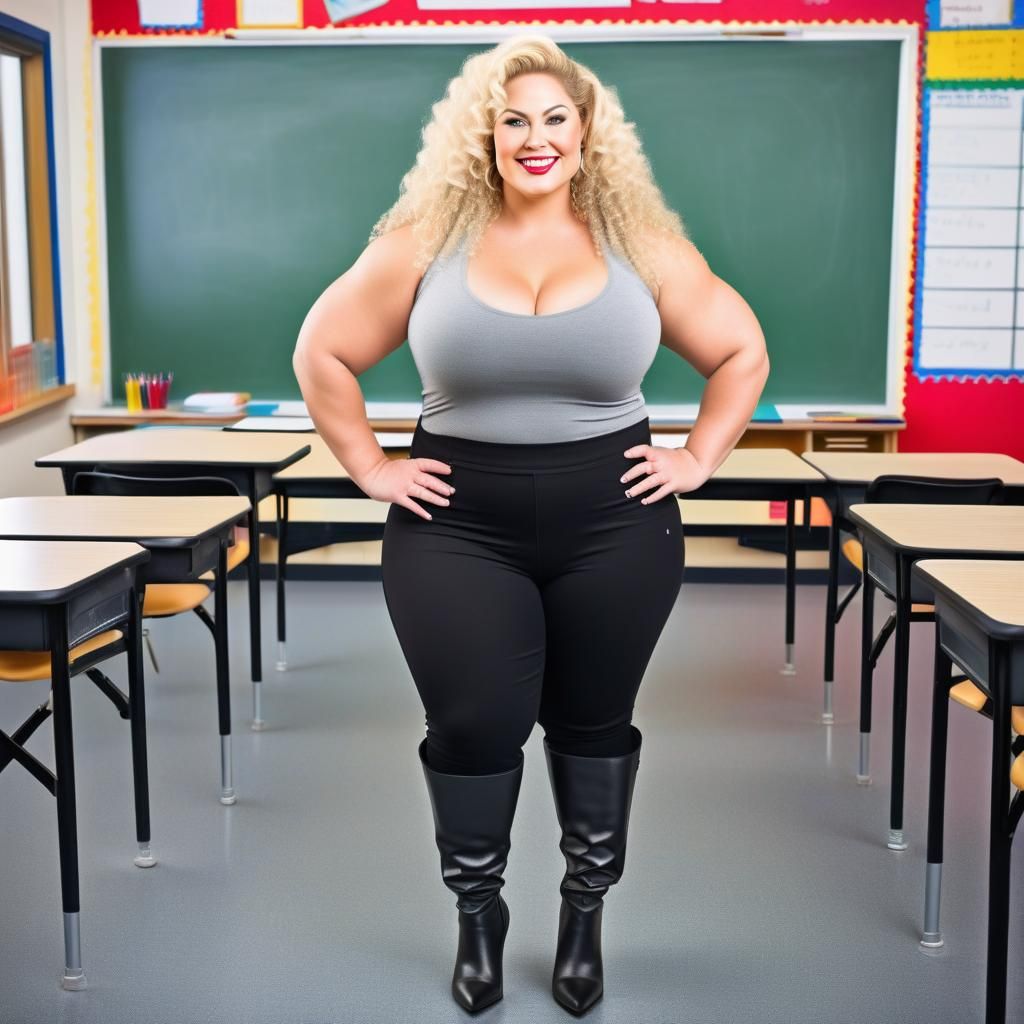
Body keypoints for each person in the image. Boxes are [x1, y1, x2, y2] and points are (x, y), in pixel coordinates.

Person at [293, 34, 768, 1016]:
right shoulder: (426, 239)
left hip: (617, 520)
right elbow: (322, 350)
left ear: (587, 134)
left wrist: (696, 458)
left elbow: (741, 351)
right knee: (473, 725)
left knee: (592, 724)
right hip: (457, 523)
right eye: (514, 120)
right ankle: (478, 914)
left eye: (555, 118)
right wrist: (371, 465)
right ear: (486, 135)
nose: (535, 137)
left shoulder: (640, 244)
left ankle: (583, 914)